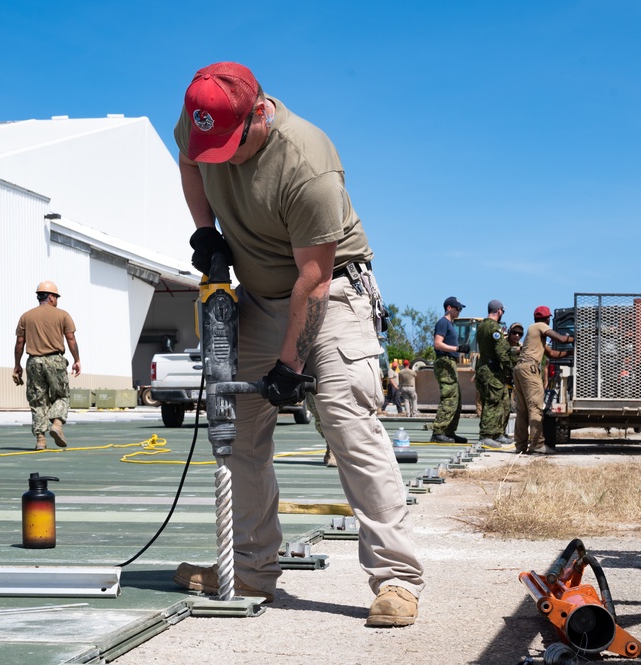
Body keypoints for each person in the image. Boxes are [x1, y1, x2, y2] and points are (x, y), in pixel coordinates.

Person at [171, 62, 423, 627]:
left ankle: (397, 581)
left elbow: (312, 278)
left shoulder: (307, 163)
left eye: (231, 148)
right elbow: (190, 161)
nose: (222, 159)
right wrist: (205, 230)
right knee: (239, 433)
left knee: (347, 423)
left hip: (331, 295)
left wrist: (290, 365)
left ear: (259, 112)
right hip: (258, 297)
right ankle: (249, 570)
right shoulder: (201, 121)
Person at [13, 281, 81, 451]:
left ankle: (41, 440)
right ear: (50, 297)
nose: (56, 300)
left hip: (34, 362)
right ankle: (57, 424)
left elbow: (20, 342)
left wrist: (17, 365)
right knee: (62, 395)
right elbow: (71, 339)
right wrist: (76, 360)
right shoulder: (63, 315)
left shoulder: (26, 316)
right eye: (56, 297)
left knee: (38, 400)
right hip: (55, 361)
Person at [513, 306, 573, 454]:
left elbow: (552, 353)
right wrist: (577, 338)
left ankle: (520, 446)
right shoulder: (540, 326)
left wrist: (570, 352)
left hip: (520, 368)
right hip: (529, 369)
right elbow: (559, 338)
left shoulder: (533, 332)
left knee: (522, 411)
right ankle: (537, 445)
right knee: (535, 408)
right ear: (547, 319)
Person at [431, 296, 470, 443]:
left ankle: (449, 431)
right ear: (449, 308)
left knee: (456, 399)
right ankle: (438, 432)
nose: (459, 311)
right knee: (449, 398)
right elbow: (437, 344)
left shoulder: (450, 325)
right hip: (445, 362)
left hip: (450, 362)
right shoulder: (443, 323)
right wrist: (457, 348)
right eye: (457, 308)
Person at [475, 300, 514, 447]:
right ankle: (486, 435)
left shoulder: (481, 326)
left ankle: (498, 433)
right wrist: (510, 367)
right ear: (499, 311)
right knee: (492, 402)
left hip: (486, 368)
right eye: (502, 311)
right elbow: (500, 351)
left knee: (502, 401)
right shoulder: (494, 328)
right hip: (492, 370)